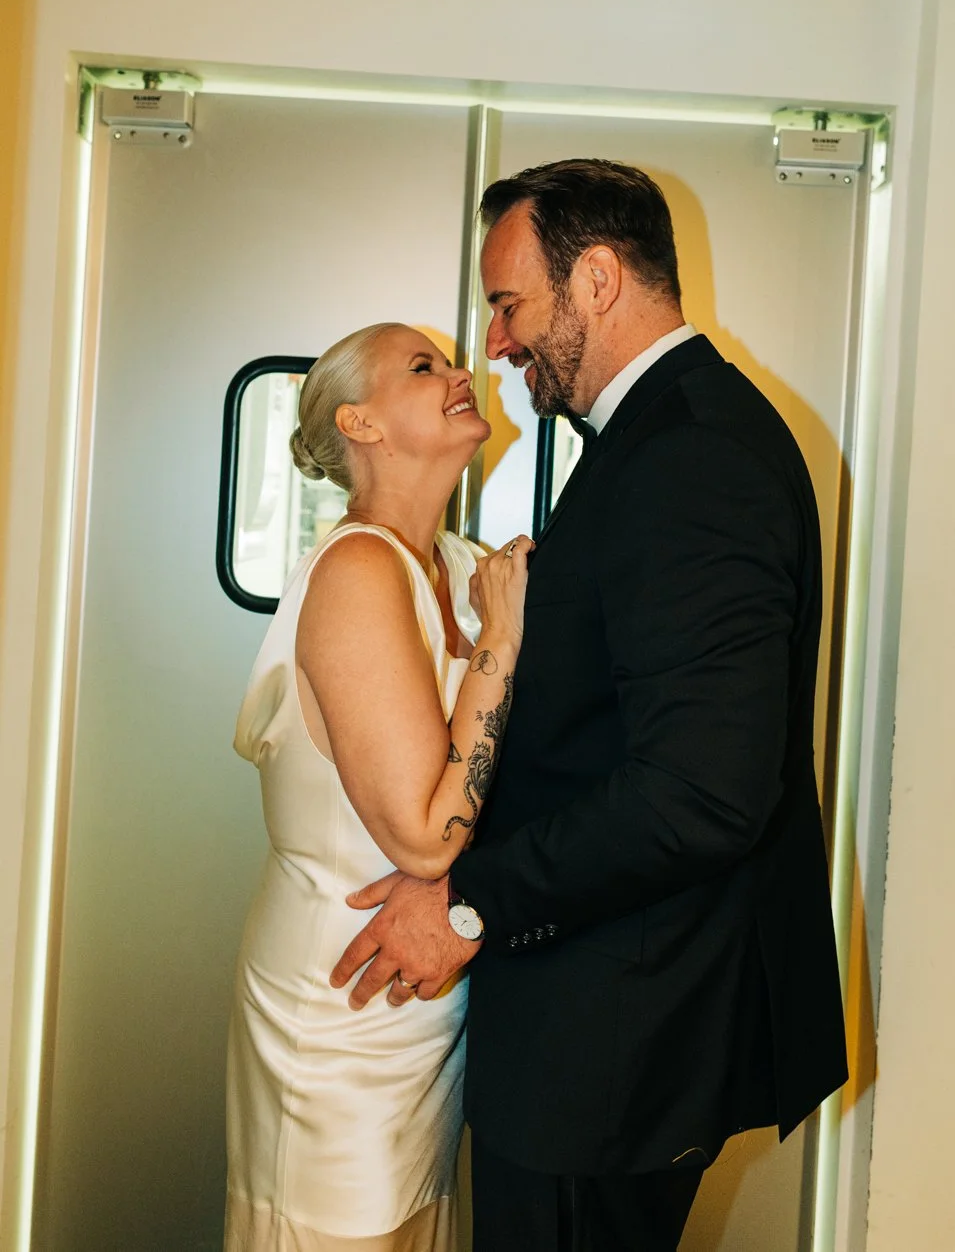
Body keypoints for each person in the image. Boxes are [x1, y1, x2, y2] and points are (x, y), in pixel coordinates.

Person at [332, 161, 849, 1252]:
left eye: (510, 304)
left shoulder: (694, 454)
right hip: (601, 1020)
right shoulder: (661, 435)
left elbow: (700, 793)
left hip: (617, 1044)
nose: (500, 343)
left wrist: (466, 900)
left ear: (598, 280)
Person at [224, 321, 533, 1251]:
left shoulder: (461, 568)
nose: (461, 373)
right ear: (359, 422)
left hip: (430, 1007)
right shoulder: (358, 570)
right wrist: (499, 647)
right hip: (340, 1010)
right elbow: (429, 836)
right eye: (423, 366)